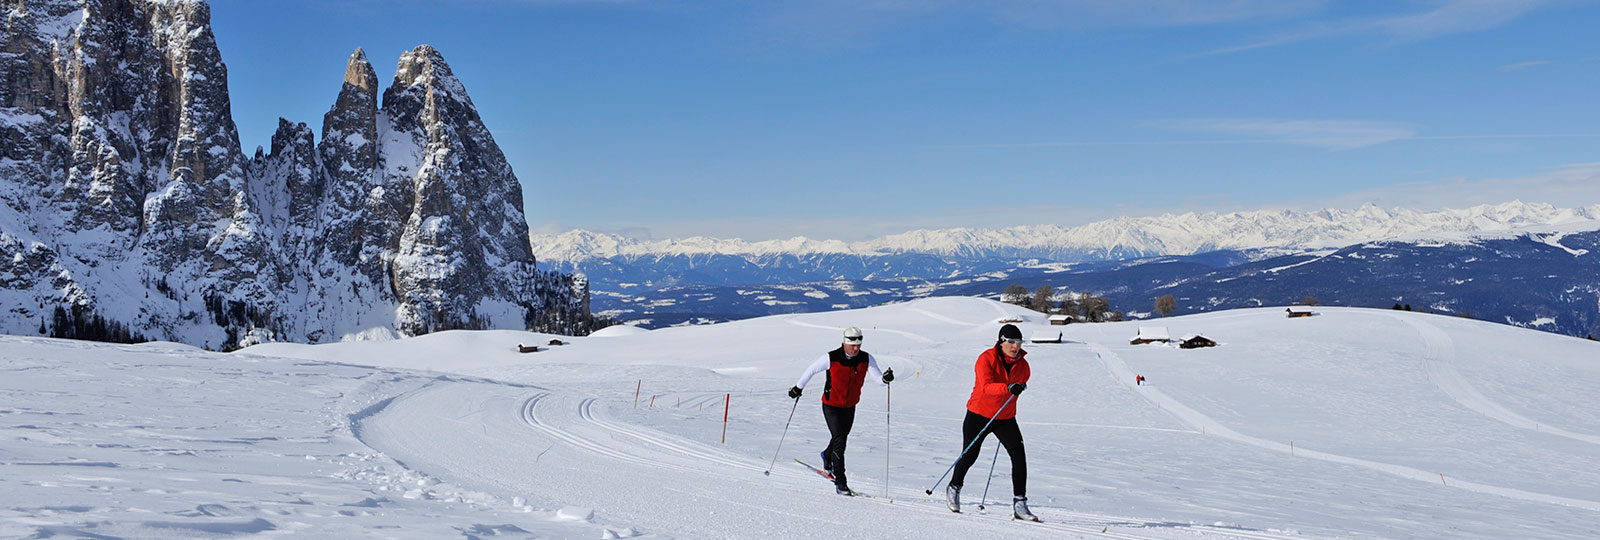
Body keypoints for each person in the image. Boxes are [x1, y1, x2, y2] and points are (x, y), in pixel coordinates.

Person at [945, 323, 1037, 521]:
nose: (1016, 347)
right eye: (1011, 342)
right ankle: (954, 486)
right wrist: (1009, 387)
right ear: (1001, 342)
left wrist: (1016, 388)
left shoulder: (1023, 366)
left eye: (1019, 342)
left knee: (1018, 455)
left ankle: (1020, 503)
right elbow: (986, 387)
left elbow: (1022, 382)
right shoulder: (985, 359)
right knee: (970, 455)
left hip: (1005, 417)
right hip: (979, 414)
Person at [788, 326, 893, 495]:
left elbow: (879, 380)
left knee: (840, 437)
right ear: (844, 343)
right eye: (853, 345)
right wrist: (797, 388)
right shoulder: (831, 358)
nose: (856, 348)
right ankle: (840, 481)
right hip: (831, 405)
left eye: (859, 344)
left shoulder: (866, 359)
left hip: (850, 406)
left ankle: (827, 455)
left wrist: (886, 378)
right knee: (841, 440)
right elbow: (811, 370)